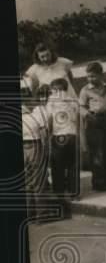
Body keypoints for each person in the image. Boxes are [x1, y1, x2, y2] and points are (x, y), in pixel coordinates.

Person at [78, 62, 106, 192]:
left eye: (93, 76)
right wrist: (88, 115)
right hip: (93, 121)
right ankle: (98, 181)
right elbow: (81, 107)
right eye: (88, 76)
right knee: (96, 152)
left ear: (101, 75)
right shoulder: (85, 90)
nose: (90, 79)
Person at [46, 77, 80, 200]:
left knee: (57, 166)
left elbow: (49, 119)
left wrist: (48, 134)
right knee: (72, 165)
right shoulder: (73, 101)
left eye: (54, 90)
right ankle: (74, 193)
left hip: (58, 137)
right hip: (72, 135)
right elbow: (78, 119)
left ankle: (59, 192)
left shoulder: (51, 101)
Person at [22, 79, 51, 218]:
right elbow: (43, 132)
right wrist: (46, 150)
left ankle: (30, 212)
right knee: (39, 179)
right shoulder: (35, 113)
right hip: (35, 145)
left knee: (28, 181)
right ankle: (43, 213)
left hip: (23, 146)